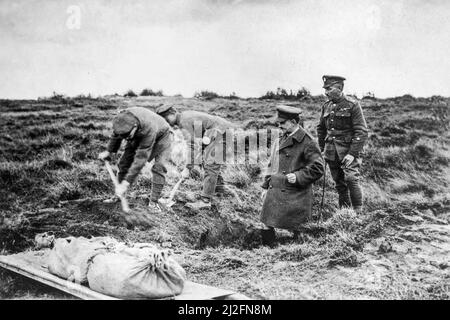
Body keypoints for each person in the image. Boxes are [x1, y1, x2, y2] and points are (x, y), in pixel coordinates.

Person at [260, 105, 324, 245]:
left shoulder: (308, 142)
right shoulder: (281, 138)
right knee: (265, 223)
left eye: (282, 123)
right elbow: (271, 164)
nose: (279, 126)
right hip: (275, 188)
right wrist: (265, 186)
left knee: (299, 229)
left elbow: (318, 168)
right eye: (278, 123)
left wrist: (299, 176)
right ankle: (268, 252)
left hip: (296, 192)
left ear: (294, 122)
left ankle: (298, 251)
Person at [156, 105, 237, 210]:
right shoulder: (184, 117)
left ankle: (205, 201)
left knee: (211, 164)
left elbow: (193, 146)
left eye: (166, 119)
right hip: (215, 133)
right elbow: (197, 143)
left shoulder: (184, 122)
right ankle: (218, 191)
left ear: (173, 113)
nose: (167, 122)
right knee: (207, 162)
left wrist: (187, 168)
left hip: (221, 133)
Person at [98, 106, 172, 212]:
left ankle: (153, 203)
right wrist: (109, 151)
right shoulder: (121, 120)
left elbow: (141, 158)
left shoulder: (149, 128)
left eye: (127, 136)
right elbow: (116, 135)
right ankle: (119, 196)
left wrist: (126, 183)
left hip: (162, 136)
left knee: (159, 167)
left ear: (135, 126)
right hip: (138, 134)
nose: (125, 138)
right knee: (123, 163)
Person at [316, 75, 369, 213]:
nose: (325, 92)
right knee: (340, 184)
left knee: (351, 179)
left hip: (348, 151)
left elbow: (361, 131)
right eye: (325, 89)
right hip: (331, 151)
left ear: (339, 88)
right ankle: (344, 214)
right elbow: (321, 128)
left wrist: (352, 154)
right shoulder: (326, 106)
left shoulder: (352, 105)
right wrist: (322, 149)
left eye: (329, 88)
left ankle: (358, 213)